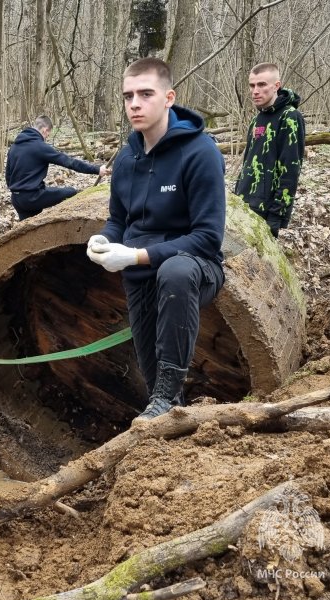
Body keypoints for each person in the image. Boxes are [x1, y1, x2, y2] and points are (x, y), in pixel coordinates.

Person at [87, 58, 226, 424]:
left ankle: (167, 397)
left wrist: (136, 256)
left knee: (175, 272)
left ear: (168, 97)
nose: (135, 103)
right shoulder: (128, 157)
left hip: (195, 267)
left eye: (145, 94)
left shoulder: (200, 153)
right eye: (128, 96)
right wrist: (104, 239)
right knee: (153, 381)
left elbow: (208, 238)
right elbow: (119, 218)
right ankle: (167, 411)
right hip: (140, 274)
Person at [234, 62, 305, 238]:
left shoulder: (290, 117)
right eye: (252, 85)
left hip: (266, 210)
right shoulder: (256, 120)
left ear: (276, 86)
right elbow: (248, 163)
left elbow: (290, 170)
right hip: (244, 203)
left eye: (262, 84)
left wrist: (277, 215)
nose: (255, 91)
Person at [5, 115, 110, 220]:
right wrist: (97, 169)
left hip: (16, 199)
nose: (46, 138)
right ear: (45, 130)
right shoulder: (40, 147)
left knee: (29, 228)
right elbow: (70, 162)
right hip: (32, 198)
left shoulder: (14, 147)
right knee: (71, 192)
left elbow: (8, 177)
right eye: (48, 135)